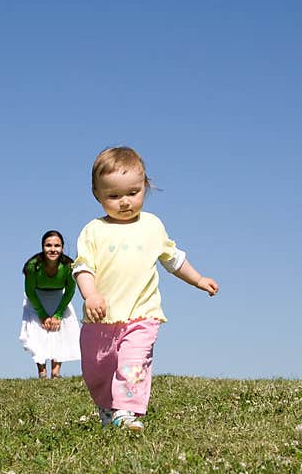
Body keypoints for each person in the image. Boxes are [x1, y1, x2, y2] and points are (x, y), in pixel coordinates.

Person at [72, 146, 219, 431]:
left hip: (142, 315)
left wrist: (199, 279)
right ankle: (106, 407)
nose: (124, 202)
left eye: (132, 193)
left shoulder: (152, 226)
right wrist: (91, 294)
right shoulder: (93, 230)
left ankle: (126, 412)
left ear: (145, 187)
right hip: (101, 319)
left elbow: (174, 260)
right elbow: (82, 268)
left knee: (132, 362)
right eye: (113, 196)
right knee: (96, 371)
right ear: (97, 195)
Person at [19, 230, 82, 379]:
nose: (53, 249)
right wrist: (42, 314)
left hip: (59, 298)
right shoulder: (32, 266)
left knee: (61, 331)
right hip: (36, 298)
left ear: (62, 248)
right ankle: (42, 372)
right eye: (48, 245)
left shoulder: (68, 266)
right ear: (42, 247)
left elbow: (70, 291)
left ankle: (56, 372)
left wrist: (59, 314)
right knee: (38, 332)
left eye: (57, 246)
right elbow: (30, 291)